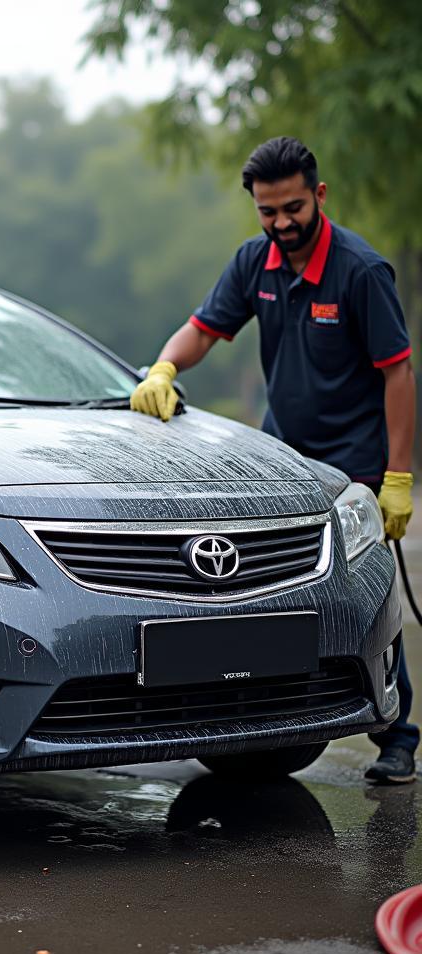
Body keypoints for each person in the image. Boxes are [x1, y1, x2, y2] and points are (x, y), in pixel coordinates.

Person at [130, 136, 418, 785]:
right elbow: (204, 327)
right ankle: (262, 718)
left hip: (354, 468)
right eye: (268, 212)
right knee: (266, 595)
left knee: (363, 597)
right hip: (282, 460)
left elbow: (399, 373)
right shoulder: (255, 262)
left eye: (292, 208)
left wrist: (398, 479)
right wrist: (164, 365)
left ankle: (397, 734)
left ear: (318, 196)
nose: (282, 223)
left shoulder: (360, 271)